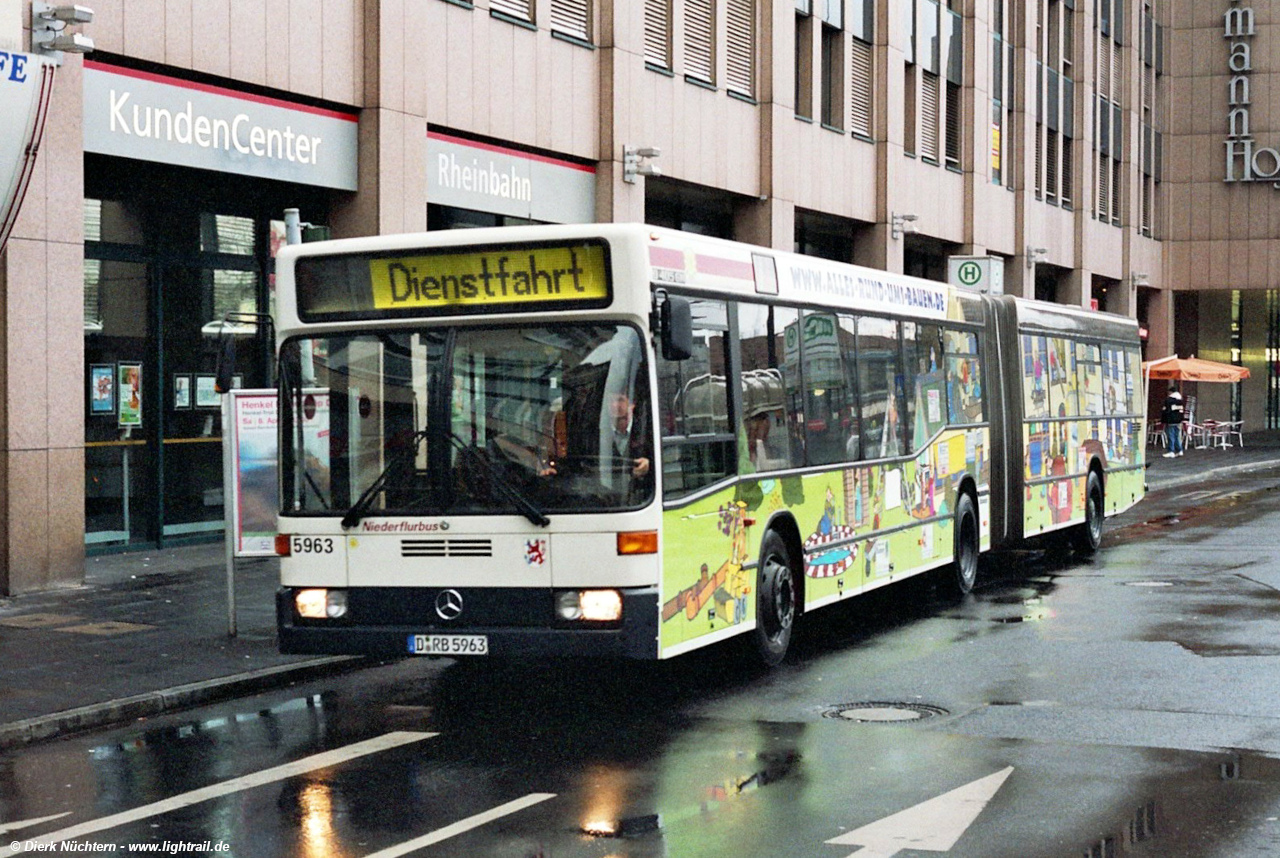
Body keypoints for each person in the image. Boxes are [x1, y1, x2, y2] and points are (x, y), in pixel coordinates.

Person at [1161, 381, 1185, 457]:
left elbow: (1165, 411)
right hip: (1179, 420)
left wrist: (1163, 420)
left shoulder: (1168, 400)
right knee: (1177, 435)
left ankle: (1171, 451)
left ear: (1170, 392)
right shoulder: (1181, 401)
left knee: (1170, 435)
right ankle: (1180, 450)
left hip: (1171, 420)